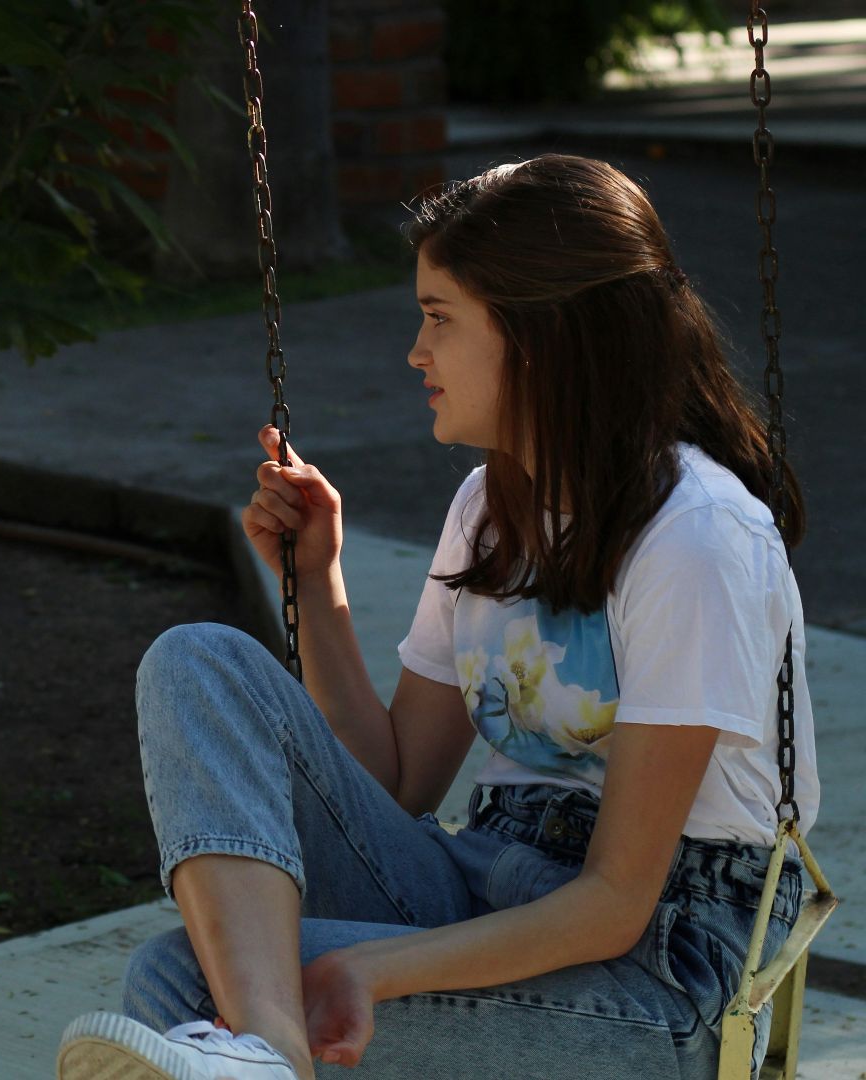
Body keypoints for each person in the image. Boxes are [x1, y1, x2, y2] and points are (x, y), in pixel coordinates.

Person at [58, 154, 819, 1080]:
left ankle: (260, 1051)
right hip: (488, 881)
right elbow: (400, 783)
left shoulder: (695, 537)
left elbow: (615, 901)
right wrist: (318, 587)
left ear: (541, 337)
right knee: (199, 661)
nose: (417, 353)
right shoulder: (488, 508)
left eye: (438, 318)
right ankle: (268, 1054)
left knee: (185, 986)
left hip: (663, 965)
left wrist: (369, 968)